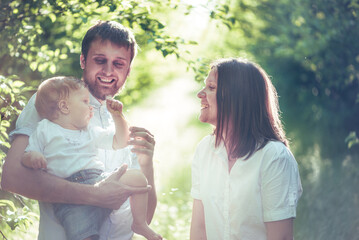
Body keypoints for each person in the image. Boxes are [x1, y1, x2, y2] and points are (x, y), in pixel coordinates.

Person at [1, 20, 158, 240]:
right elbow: (12, 178)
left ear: (128, 70)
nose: (108, 71)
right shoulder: (54, 105)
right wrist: (95, 195)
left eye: (119, 63)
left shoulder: (121, 123)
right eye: (100, 60)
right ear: (83, 60)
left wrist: (146, 164)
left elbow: (145, 217)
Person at [21, 76, 162, 240]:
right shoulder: (45, 129)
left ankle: (139, 223)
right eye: (85, 102)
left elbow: (120, 141)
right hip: (71, 201)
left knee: (137, 177)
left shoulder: (89, 130)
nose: (91, 108)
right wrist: (34, 157)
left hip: (99, 180)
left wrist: (117, 116)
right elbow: (28, 153)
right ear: (64, 107)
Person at [190, 58, 303, 240]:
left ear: (236, 97)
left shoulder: (274, 157)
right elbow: (199, 229)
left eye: (211, 88)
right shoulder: (204, 150)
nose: (200, 94)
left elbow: (280, 237)